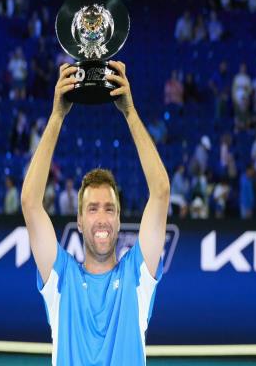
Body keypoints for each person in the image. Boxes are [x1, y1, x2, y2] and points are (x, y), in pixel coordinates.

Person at [21, 62, 170, 365]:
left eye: (109, 209)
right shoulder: (61, 277)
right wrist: (57, 116)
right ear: (79, 220)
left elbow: (161, 191)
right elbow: (30, 202)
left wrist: (130, 113)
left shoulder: (137, 276)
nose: (102, 218)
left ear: (118, 219)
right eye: (92, 209)